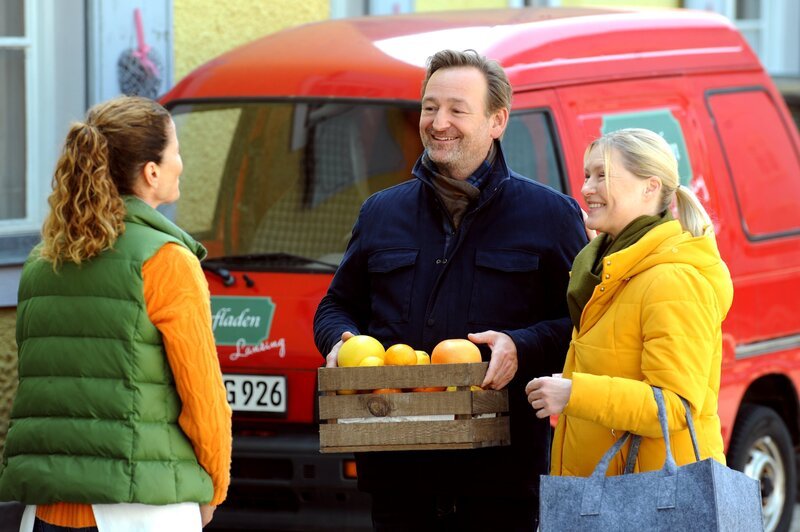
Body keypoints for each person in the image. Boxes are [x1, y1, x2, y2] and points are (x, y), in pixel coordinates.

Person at [313, 49, 587, 530]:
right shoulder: (381, 213)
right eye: (429, 107)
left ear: (497, 120)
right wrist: (341, 343)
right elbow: (337, 306)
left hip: (501, 481)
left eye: (457, 109)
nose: (439, 122)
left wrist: (520, 346)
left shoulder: (550, 215)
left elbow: (587, 327)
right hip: (398, 475)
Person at [0, 96, 232, 531]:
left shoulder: (42, 261)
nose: (181, 162)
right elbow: (203, 398)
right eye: (176, 151)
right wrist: (213, 488)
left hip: (46, 511)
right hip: (143, 508)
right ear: (151, 171)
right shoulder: (166, 260)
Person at [526, 128, 732, 479]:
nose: (587, 188)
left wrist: (576, 393)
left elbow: (674, 406)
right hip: (607, 492)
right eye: (587, 175)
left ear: (650, 187)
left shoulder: (672, 279)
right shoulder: (605, 271)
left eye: (602, 175)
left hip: (655, 502)